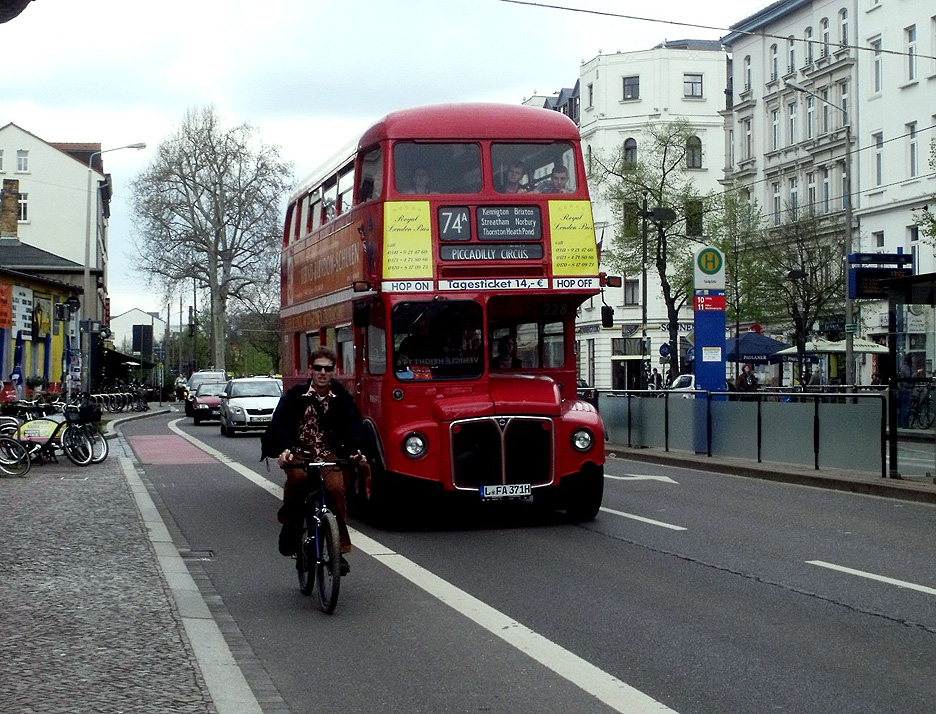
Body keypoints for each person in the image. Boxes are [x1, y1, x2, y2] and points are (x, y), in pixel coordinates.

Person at [261, 348, 369, 573]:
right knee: (297, 479)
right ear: (310, 370)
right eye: (318, 368)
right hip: (299, 451)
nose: (322, 372)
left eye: (327, 369)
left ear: (334, 371)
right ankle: (290, 525)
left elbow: (354, 426)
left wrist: (354, 452)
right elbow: (279, 424)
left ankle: (339, 550)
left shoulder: (342, 397)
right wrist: (284, 451)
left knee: (336, 489)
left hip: (329, 453)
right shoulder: (295, 395)